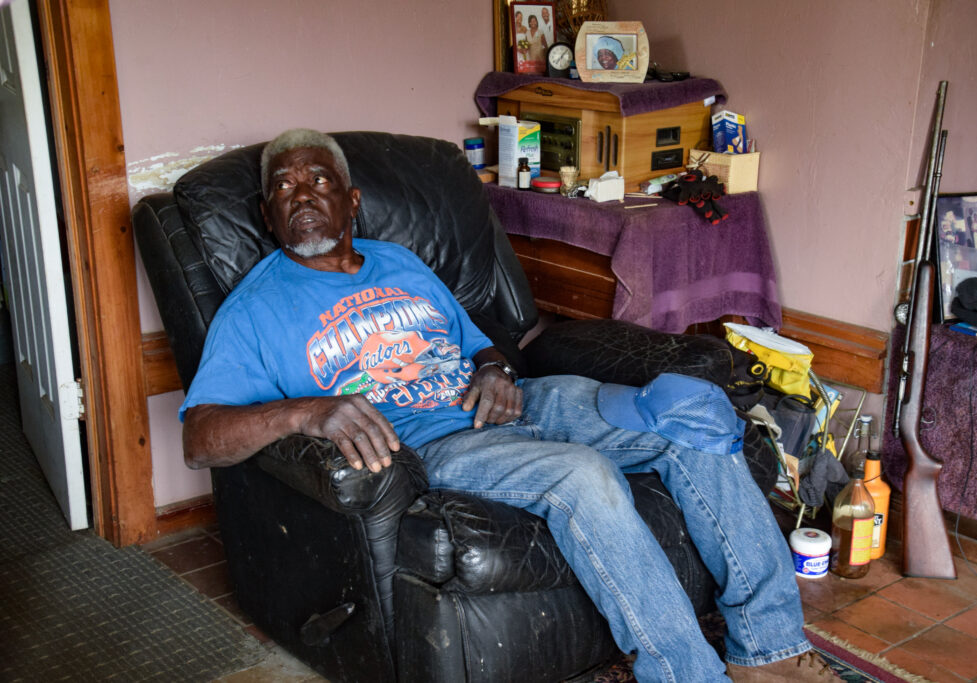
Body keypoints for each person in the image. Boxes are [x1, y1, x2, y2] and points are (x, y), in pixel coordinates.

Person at [181, 128, 839, 683]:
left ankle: (769, 644)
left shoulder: (402, 263)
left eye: (318, 182)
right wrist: (306, 413)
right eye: (284, 189)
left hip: (522, 403)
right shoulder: (254, 309)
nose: (301, 196)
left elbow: (479, 344)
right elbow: (201, 436)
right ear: (265, 214)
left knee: (684, 415)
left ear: (351, 201)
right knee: (584, 475)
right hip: (437, 442)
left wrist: (494, 366)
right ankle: (684, 671)